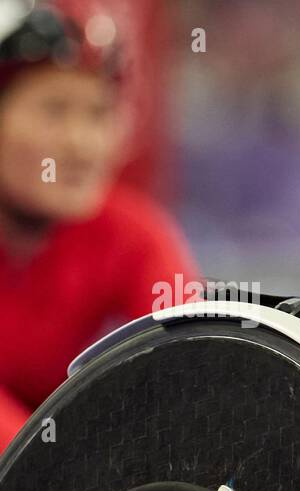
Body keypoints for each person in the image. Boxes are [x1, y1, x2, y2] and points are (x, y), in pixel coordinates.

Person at [0, 0, 199, 451]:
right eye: (54, 110)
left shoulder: (135, 236)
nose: (82, 144)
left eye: (98, 114)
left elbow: (195, 368)